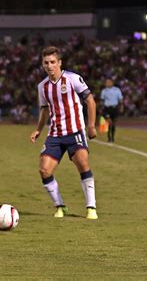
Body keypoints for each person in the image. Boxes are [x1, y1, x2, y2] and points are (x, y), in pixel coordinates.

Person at [30, 46, 98, 220]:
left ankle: (91, 207)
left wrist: (91, 126)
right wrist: (38, 129)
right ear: (42, 64)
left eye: (53, 62)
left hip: (75, 131)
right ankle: (60, 206)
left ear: (59, 62)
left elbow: (90, 101)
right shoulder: (42, 87)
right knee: (44, 170)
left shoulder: (73, 79)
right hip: (55, 134)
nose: (49, 65)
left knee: (82, 162)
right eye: (46, 63)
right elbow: (44, 110)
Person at [100, 78, 123, 143]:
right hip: (107, 108)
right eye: (106, 82)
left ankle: (112, 137)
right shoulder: (104, 91)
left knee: (114, 124)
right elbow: (102, 100)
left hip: (114, 108)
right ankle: (109, 137)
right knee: (109, 122)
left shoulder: (117, 90)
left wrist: (121, 107)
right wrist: (101, 108)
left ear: (112, 83)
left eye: (108, 82)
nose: (107, 83)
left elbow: (120, 99)